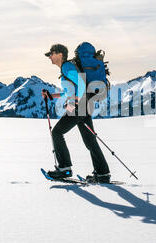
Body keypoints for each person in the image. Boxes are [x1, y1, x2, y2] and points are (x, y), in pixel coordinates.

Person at [42, 43, 111, 183]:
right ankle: (103, 173)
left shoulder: (67, 67)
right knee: (90, 141)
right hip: (84, 105)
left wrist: (77, 101)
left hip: (79, 106)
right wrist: (51, 96)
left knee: (57, 132)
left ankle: (64, 168)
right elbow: (70, 91)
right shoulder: (66, 68)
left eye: (51, 54)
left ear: (60, 54)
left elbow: (81, 84)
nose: (49, 57)